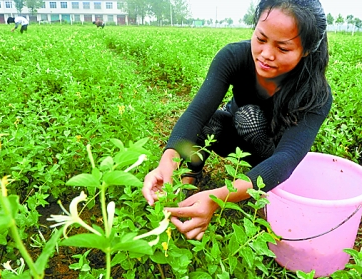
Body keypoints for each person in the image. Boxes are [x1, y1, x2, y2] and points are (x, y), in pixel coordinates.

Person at [142, 0, 332, 241]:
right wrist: (168, 160)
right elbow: (196, 114)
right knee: (210, 121)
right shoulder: (234, 57)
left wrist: (218, 197)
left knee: (246, 117)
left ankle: (257, 188)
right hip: (237, 139)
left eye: (283, 49)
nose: (266, 55)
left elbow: (286, 159)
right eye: (261, 39)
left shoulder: (316, 94)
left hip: (272, 154)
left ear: (306, 50)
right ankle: (189, 176)